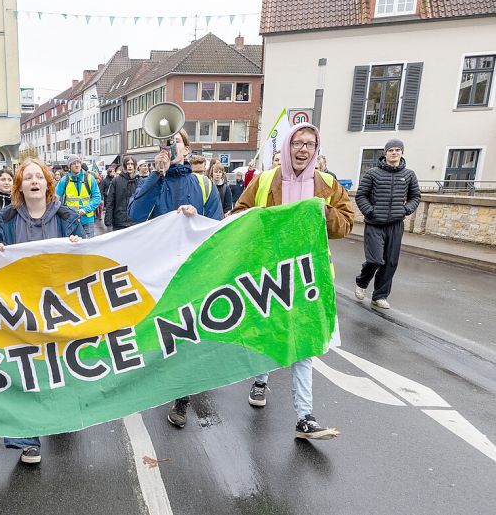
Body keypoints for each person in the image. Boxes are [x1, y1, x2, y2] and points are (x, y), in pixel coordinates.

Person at [231, 122, 354, 440]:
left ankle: (305, 417)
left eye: (310, 144)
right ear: (287, 146)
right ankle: (260, 380)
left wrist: (322, 211)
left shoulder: (326, 184)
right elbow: (237, 215)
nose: (303, 149)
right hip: (271, 276)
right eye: (298, 143)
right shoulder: (265, 180)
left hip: (311, 277)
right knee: (271, 338)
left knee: (305, 346)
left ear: (317, 149)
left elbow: (346, 224)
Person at [0, 158, 84, 464]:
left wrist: (77, 246)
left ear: (47, 184)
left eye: (38, 177)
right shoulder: (6, 220)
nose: (33, 181)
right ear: (20, 186)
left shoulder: (68, 218)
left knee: (57, 363)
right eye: (26, 177)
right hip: (22, 309)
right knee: (26, 366)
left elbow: (89, 259)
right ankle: (28, 437)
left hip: (59, 306)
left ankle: (60, 413)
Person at [128, 129, 222, 429]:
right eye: (164, 143)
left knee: (189, 331)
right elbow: (135, 213)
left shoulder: (203, 184)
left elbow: (217, 226)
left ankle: (182, 397)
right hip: (159, 270)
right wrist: (156, 176)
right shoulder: (154, 180)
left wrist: (197, 217)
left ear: (186, 148)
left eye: (175, 142)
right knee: (163, 328)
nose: (169, 146)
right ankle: (163, 380)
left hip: (194, 269)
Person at [353, 139, 421, 310]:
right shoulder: (372, 173)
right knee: (375, 259)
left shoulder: (409, 175)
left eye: (398, 150)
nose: (394, 153)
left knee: (390, 262)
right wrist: (370, 211)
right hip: (375, 223)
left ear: (402, 153)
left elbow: (415, 196)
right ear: (385, 153)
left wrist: (406, 210)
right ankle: (362, 281)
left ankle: (380, 296)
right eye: (391, 150)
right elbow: (361, 196)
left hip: (396, 224)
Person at [54, 155, 102, 238]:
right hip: (71, 220)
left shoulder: (90, 179)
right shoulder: (64, 180)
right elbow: (54, 199)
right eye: (74, 163)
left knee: (88, 246)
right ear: (69, 166)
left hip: (87, 219)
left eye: (79, 162)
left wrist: (85, 210)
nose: (77, 165)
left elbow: (97, 198)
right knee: (74, 248)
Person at [104, 156, 141, 231]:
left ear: (135, 166)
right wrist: (108, 222)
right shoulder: (116, 181)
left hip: (135, 222)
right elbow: (110, 202)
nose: (130, 166)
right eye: (128, 164)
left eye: (132, 164)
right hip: (119, 222)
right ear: (124, 166)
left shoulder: (140, 181)